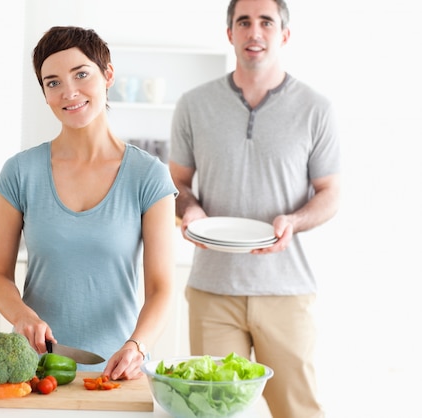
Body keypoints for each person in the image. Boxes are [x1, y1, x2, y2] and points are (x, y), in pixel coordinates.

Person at [169, 1, 340, 417]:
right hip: (213, 290)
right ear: (230, 33)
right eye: (243, 22)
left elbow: (330, 192)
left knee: (298, 410)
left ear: (284, 34)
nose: (254, 31)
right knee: (212, 411)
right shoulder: (194, 104)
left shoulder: (316, 108)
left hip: (286, 290)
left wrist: (294, 221)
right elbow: (175, 183)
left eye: (266, 21)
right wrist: (189, 210)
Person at [0, 26, 177, 380]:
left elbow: (161, 288)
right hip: (34, 369)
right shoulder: (20, 172)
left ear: (108, 76)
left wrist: (138, 346)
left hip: (117, 370)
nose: (69, 92)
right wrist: (22, 316)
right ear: (44, 94)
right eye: (53, 82)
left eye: (81, 74)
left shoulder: (148, 176)